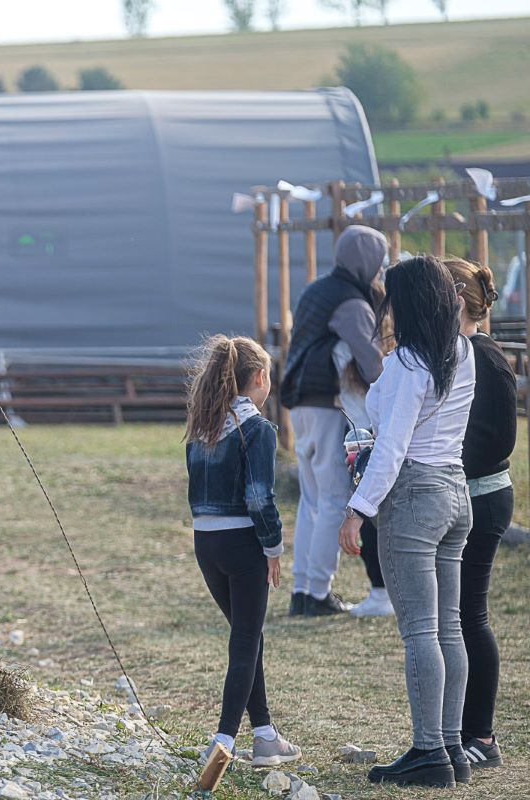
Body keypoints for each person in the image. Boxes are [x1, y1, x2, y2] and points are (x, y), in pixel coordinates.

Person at [339, 255, 476, 788]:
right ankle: (451, 746)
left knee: (420, 631)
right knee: (448, 628)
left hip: (415, 494)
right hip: (455, 491)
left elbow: (392, 448)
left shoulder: (407, 364)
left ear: (408, 303)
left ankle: (428, 752)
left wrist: (357, 511)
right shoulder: (460, 351)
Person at [185, 334, 301, 767]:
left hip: (205, 543)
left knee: (248, 637)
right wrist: (273, 547)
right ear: (259, 378)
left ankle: (265, 734)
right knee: (246, 640)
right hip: (242, 543)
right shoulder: (257, 429)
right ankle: (225, 741)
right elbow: (259, 499)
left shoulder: (201, 429)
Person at [282, 225, 387, 616]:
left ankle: (302, 589)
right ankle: (318, 594)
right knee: (330, 501)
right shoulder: (351, 303)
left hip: (299, 403)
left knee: (311, 500)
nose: (380, 272)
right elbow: (372, 362)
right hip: (327, 403)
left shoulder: (317, 288)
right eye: (378, 263)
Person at [443, 257, 516, 770]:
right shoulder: (457, 352)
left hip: (483, 496)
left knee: (471, 614)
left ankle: (483, 737)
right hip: (462, 492)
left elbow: (497, 439)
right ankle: (462, 729)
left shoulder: (484, 358)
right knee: (458, 615)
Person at [333, 340, 393, 617]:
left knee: (370, 520)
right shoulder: (383, 367)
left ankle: (381, 590)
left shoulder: (345, 361)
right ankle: (382, 590)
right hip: (372, 445)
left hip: (365, 448)